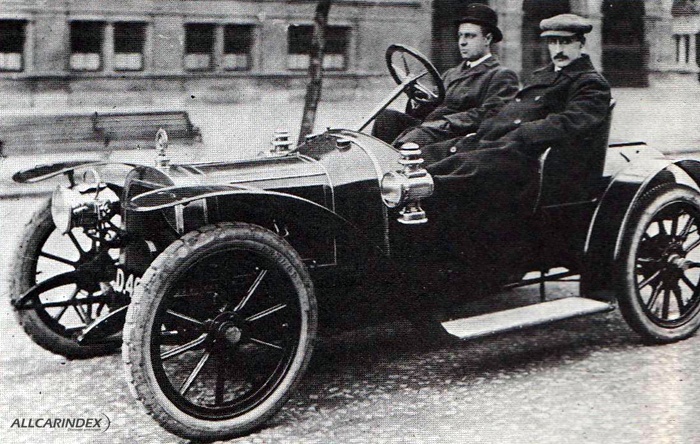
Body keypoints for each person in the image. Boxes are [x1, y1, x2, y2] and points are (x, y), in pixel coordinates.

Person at [371, 3, 519, 147]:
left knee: (416, 137)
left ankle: (396, 160)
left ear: (487, 39)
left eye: (470, 36)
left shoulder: (500, 75)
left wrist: (445, 122)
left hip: (459, 135)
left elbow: (491, 114)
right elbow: (430, 107)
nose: (462, 42)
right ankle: (378, 160)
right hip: (433, 129)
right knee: (386, 118)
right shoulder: (451, 73)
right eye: (460, 36)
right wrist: (419, 99)